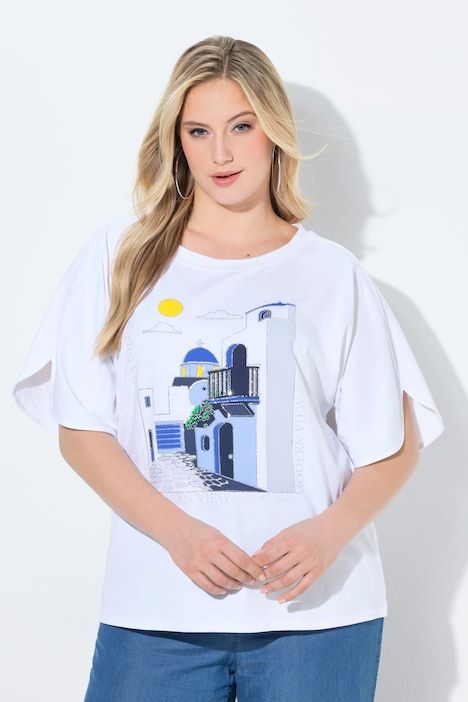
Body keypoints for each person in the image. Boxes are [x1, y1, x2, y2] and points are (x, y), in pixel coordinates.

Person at [11, 35, 444, 702]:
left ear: (275, 132)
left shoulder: (332, 275)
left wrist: (327, 535)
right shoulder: (122, 256)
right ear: (176, 141)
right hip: (157, 608)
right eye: (199, 131)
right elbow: (82, 429)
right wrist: (177, 534)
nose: (221, 153)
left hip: (316, 613)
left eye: (242, 126)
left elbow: (394, 442)